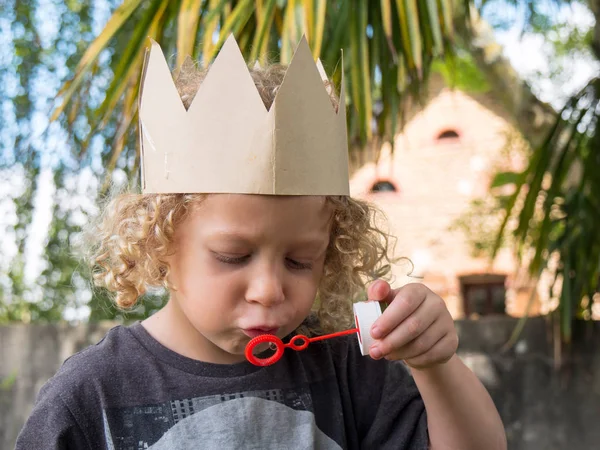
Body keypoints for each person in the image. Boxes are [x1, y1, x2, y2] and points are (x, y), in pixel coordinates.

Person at [16, 35, 506, 450]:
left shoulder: (352, 372)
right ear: (160, 245)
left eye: (300, 260)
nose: (269, 289)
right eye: (234, 256)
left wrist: (434, 365)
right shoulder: (91, 396)